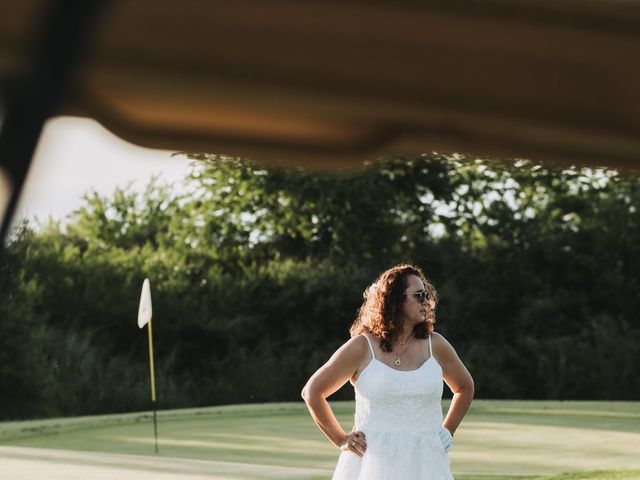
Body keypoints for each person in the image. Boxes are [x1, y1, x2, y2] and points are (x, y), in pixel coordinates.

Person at [302, 264, 474, 479]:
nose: (426, 302)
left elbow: (465, 387)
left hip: (427, 463)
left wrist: (448, 430)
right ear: (396, 300)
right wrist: (341, 439)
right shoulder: (362, 347)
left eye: (427, 295)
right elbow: (312, 392)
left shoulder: (436, 344)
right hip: (372, 464)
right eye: (419, 295)